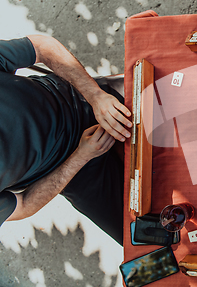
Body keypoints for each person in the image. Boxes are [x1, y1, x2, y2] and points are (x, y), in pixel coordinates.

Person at [0, 36, 132, 245]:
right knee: (146, 239)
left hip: (79, 100)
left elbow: (41, 47)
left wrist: (96, 96)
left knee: (182, 90)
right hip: (71, 172)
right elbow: (24, 204)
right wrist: (80, 157)